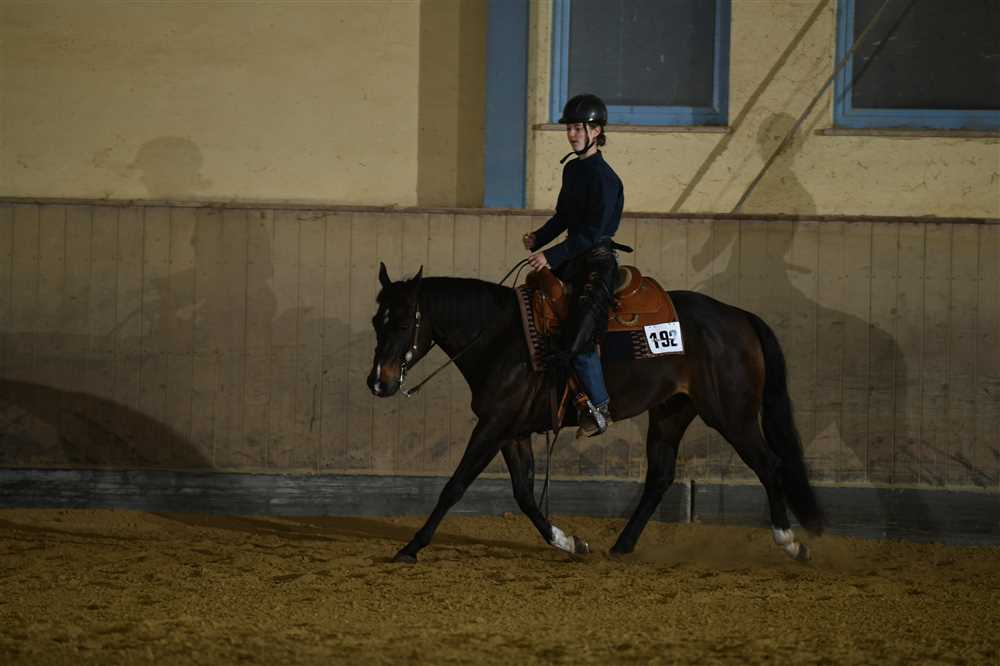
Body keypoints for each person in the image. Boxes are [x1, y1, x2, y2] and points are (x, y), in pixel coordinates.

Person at [523, 93, 623, 437]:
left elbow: (593, 233)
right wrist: (539, 238)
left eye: (579, 128)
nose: (572, 134)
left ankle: (599, 408)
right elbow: (563, 217)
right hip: (573, 259)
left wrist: (551, 256)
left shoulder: (606, 179)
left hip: (597, 264)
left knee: (579, 337)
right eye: (570, 128)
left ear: (597, 131)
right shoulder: (573, 169)